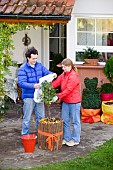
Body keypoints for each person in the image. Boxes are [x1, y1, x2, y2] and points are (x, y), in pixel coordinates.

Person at [18, 47, 56, 136]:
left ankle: (40, 136)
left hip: (39, 96)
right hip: (28, 96)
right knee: (27, 118)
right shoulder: (22, 69)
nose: (35, 60)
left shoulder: (39, 65)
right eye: (33, 58)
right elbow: (21, 83)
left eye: (36, 58)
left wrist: (52, 74)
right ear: (28, 58)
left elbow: (47, 72)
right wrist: (33, 86)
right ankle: (25, 136)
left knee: (41, 117)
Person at [52, 58, 81, 147]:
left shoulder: (73, 76)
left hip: (74, 102)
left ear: (69, 66)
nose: (63, 68)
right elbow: (56, 82)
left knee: (75, 121)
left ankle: (76, 139)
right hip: (66, 101)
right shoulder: (64, 74)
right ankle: (67, 138)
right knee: (65, 120)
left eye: (64, 67)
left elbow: (68, 90)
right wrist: (48, 87)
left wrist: (58, 96)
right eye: (62, 67)